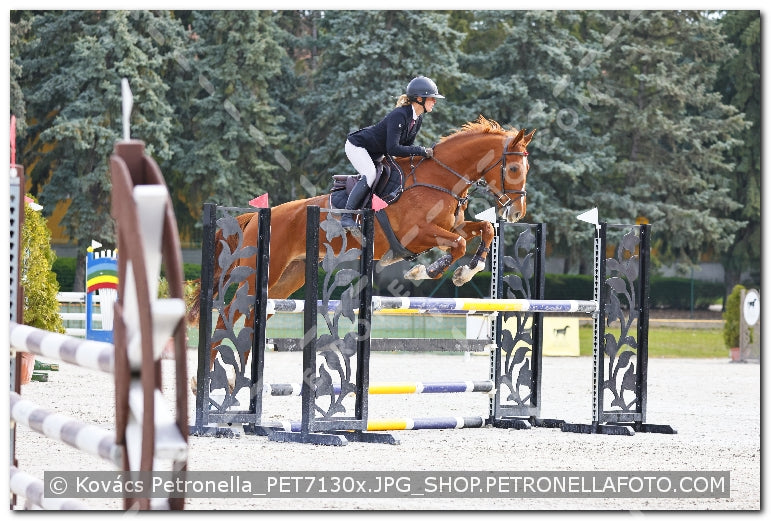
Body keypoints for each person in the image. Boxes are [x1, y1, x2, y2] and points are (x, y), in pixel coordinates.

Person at [340, 75, 444, 232]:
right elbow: (393, 149)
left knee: (389, 175)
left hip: (376, 151)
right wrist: (421, 151)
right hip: (358, 146)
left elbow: (406, 148)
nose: (434, 101)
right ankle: (346, 217)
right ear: (419, 99)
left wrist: (421, 157)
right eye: (431, 98)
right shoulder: (399, 115)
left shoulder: (417, 119)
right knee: (370, 174)